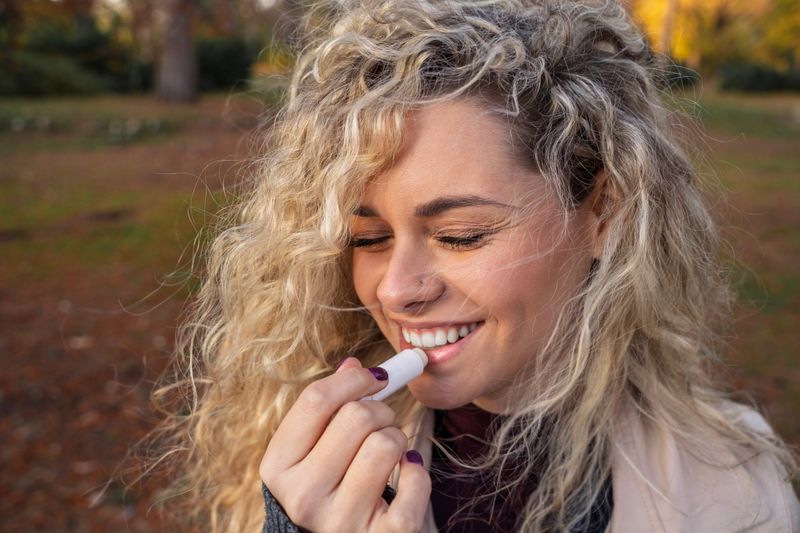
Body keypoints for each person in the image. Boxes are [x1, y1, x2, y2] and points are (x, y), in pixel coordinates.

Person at [148, 0, 799, 531]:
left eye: (461, 236)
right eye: (368, 238)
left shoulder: (732, 488)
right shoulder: (314, 474)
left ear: (602, 211)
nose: (396, 289)